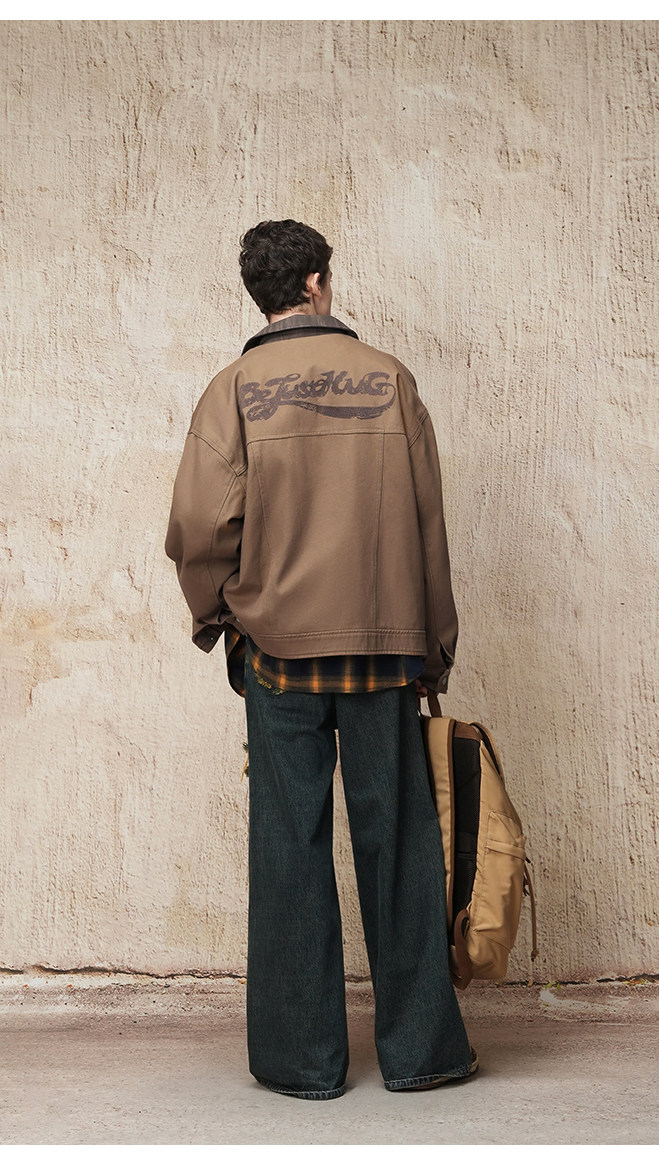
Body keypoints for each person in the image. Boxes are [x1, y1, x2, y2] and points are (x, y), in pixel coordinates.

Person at [165, 219, 476, 1100]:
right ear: (314, 283)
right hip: (384, 648)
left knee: (288, 848)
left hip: (279, 654)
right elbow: (428, 526)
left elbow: (198, 526)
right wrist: (434, 649)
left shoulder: (231, 391)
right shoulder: (390, 378)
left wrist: (222, 619)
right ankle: (422, 1053)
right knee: (401, 844)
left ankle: (301, 1062)